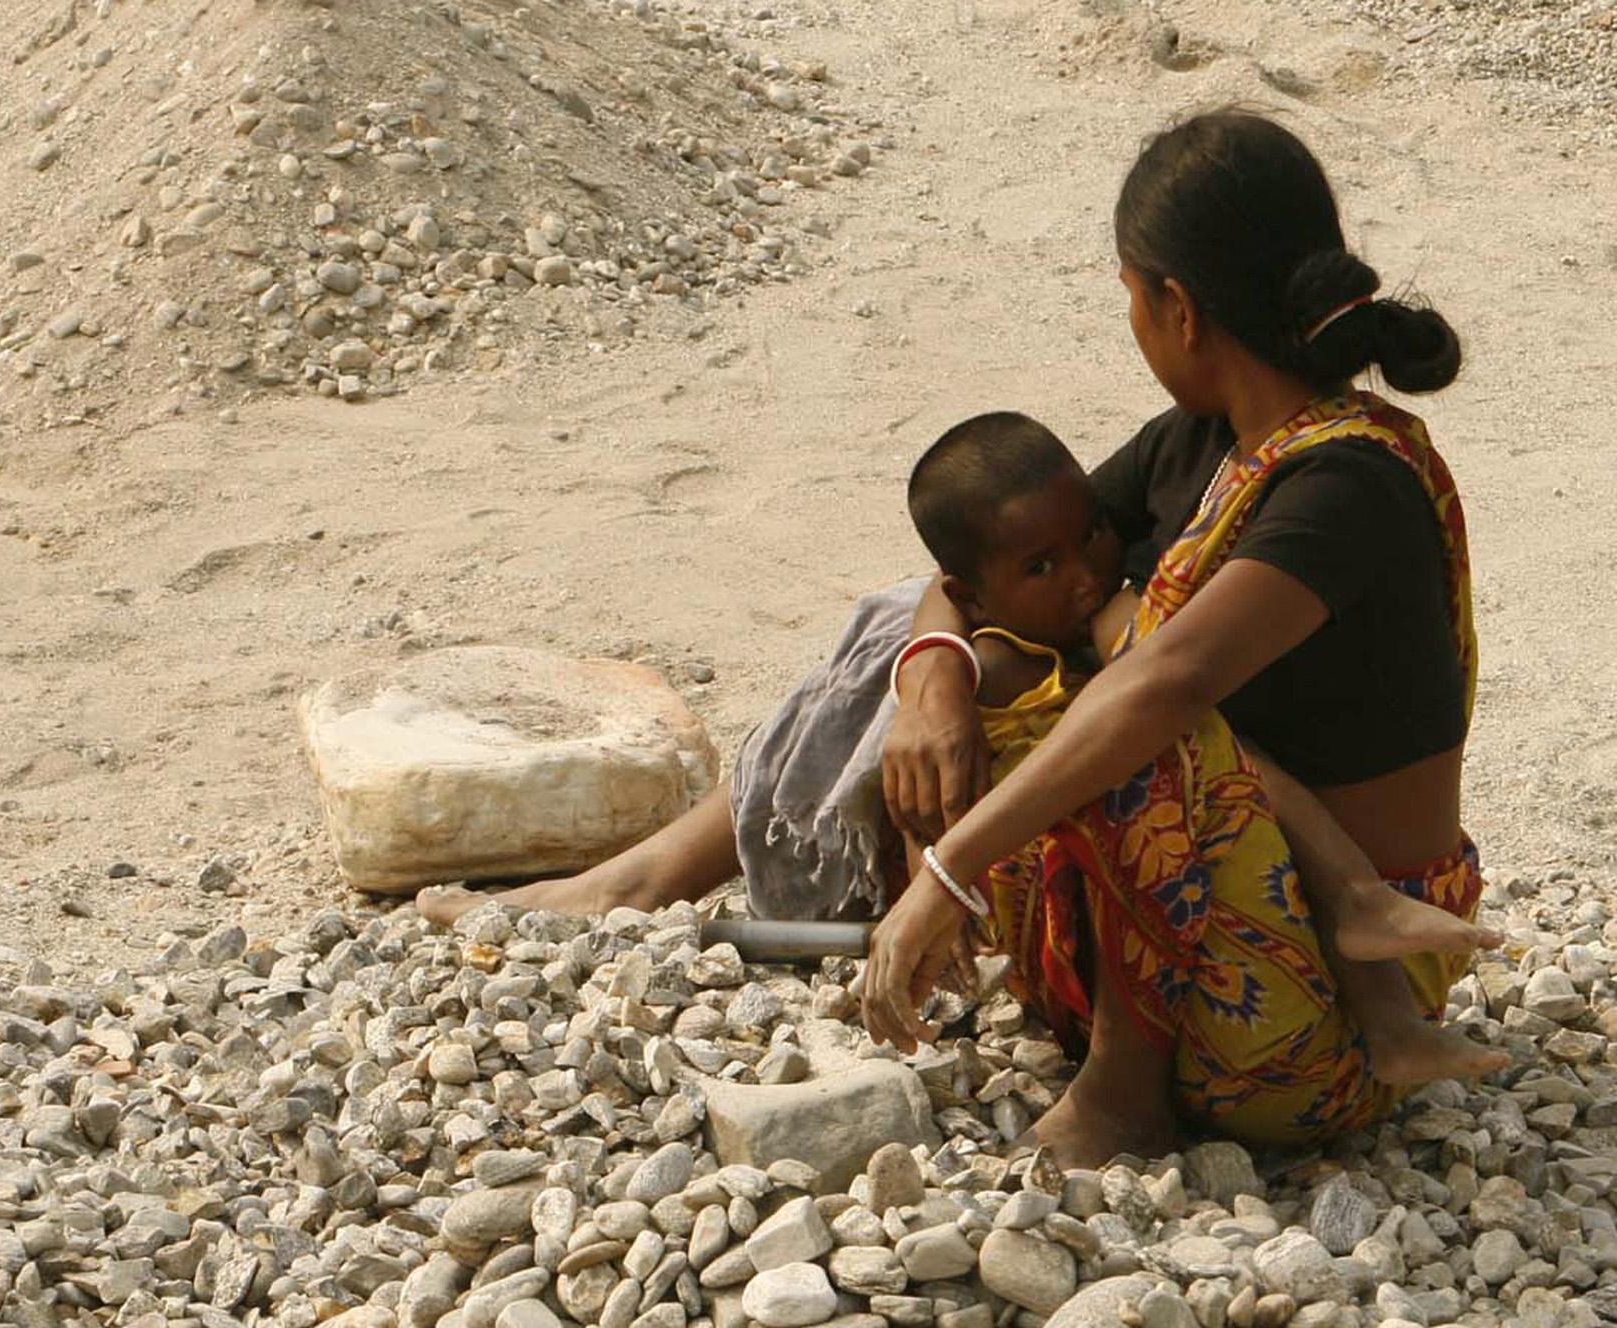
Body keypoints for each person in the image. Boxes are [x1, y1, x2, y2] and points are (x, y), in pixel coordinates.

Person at [421, 109, 1500, 1165]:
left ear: (1176, 308)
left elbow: (1162, 683)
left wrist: (947, 870)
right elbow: (972, 580)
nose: (1131, 324)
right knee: (936, 616)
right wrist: (931, 684)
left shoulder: (1345, 485)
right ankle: (656, 874)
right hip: (1197, 958)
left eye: (1128, 298)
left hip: (1311, 1024)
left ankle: (1124, 1096)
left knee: (1133, 715)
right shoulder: (1201, 444)